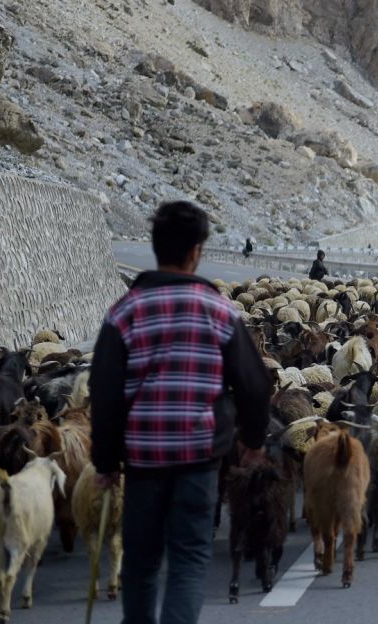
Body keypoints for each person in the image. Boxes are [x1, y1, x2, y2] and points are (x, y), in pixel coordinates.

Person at [90, 201, 271, 624]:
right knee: (188, 561)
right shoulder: (221, 312)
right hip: (199, 459)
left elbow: (105, 392)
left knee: (141, 562)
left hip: (143, 460)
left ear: (156, 248)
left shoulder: (123, 313)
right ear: (196, 251)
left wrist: (104, 461)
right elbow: (255, 384)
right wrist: (253, 441)